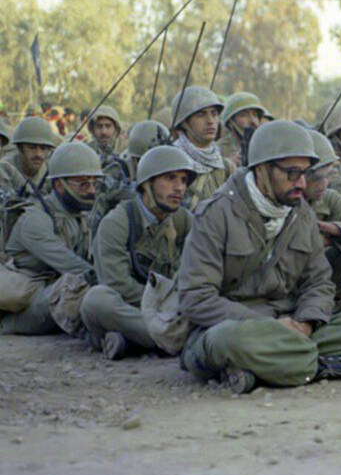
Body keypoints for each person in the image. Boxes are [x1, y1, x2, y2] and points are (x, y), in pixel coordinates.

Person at [177, 120, 341, 393]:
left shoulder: (301, 213)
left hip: (291, 323)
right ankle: (327, 366)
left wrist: (307, 322)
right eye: (292, 172)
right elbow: (196, 297)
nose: (301, 182)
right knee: (225, 341)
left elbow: (319, 282)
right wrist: (268, 326)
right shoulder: (217, 213)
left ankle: (270, 367)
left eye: (306, 173)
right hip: (234, 328)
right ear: (262, 169)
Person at [80, 146, 195, 359]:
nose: (179, 188)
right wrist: (161, 302)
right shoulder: (117, 222)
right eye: (170, 178)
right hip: (132, 305)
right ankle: (178, 340)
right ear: (146, 184)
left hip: (172, 308)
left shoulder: (184, 220)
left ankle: (136, 341)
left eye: (183, 180)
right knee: (96, 299)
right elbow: (117, 283)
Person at [1, 142, 102, 335]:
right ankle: (8, 325)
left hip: (50, 289)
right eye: (83, 183)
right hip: (27, 298)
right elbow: (71, 265)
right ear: (58, 185)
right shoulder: (35, 219)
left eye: (94, 183)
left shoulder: (80, 214)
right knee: (74, 289)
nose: (92, 191)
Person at [304, 129, 341, 295]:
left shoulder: (329, 197)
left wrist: (335, 229)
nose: (323, 184)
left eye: (328, 176)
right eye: (316, 178)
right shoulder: (285, 204)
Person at [170, 86, 236, 209]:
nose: (210, 121)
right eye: (201, 114)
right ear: (184, 122)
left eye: (214, 114)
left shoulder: (227, 168)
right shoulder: (169, 162)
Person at [0, 117, 59, 195]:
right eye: (32, 147)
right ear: (20, 148)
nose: (38, 154)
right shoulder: (5, 170)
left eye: (43, 148)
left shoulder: (50, 174)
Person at [219, 92, 273, 165]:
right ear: (230, 122)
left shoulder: (267, 148)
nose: (253, 121)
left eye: (255, 115)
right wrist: (227, 165)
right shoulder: (217, 151)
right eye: (244, 115)